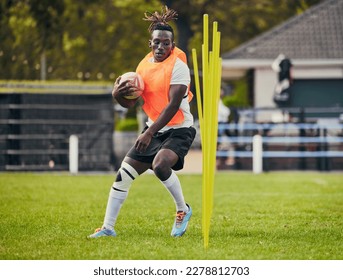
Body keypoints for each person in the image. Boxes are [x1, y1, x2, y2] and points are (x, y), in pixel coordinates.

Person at [88, 6, 196, 238]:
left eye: (166, 43)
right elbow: (132, 103)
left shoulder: (179, 66)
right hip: (154, 128)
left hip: (179, 128)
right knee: (123, 175)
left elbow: (173, 104)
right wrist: (117, 95)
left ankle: (182, 209)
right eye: (157, 42)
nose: (161, 47)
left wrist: (148, 133)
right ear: (150, 43)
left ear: (172, 44)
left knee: (160, 166)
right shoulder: (142, 67)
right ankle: (108, 228)